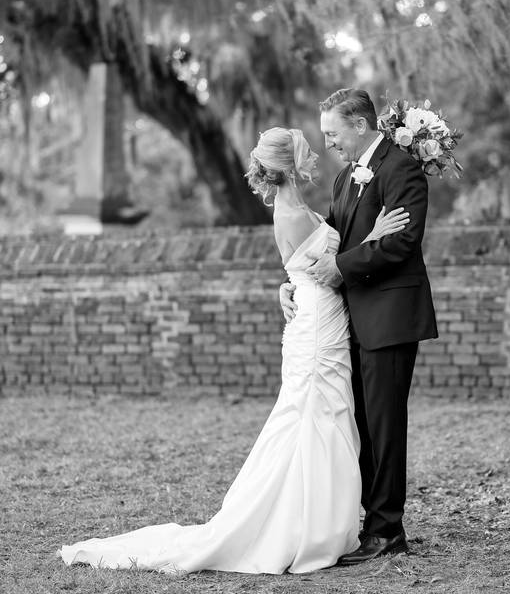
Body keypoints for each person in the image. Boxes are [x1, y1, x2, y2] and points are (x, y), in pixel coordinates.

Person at [58, 127, 409, 574]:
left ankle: (326, 521)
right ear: (288, 163)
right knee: (312, 414)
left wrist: (289, 283)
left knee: (327, 413)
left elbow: (307, 266)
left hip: (323, 317)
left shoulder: (299, 209)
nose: (314, 154)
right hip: (318, 323)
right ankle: (302, 526)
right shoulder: (293, 214)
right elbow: (326, 269)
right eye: (304, 149)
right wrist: (375, 233)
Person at [280, 88, 438, 566]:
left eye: (332, 132)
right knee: (363, 422)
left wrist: (343, 267)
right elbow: (328, 241)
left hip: (390, 318)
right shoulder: (346, 177)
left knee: (385, 425)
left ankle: (388, 529)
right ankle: (370, 519)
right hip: (354, 319)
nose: (328, 142)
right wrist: (290, 282)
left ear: (361, 125)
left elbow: (403, 242)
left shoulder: (400, 168)